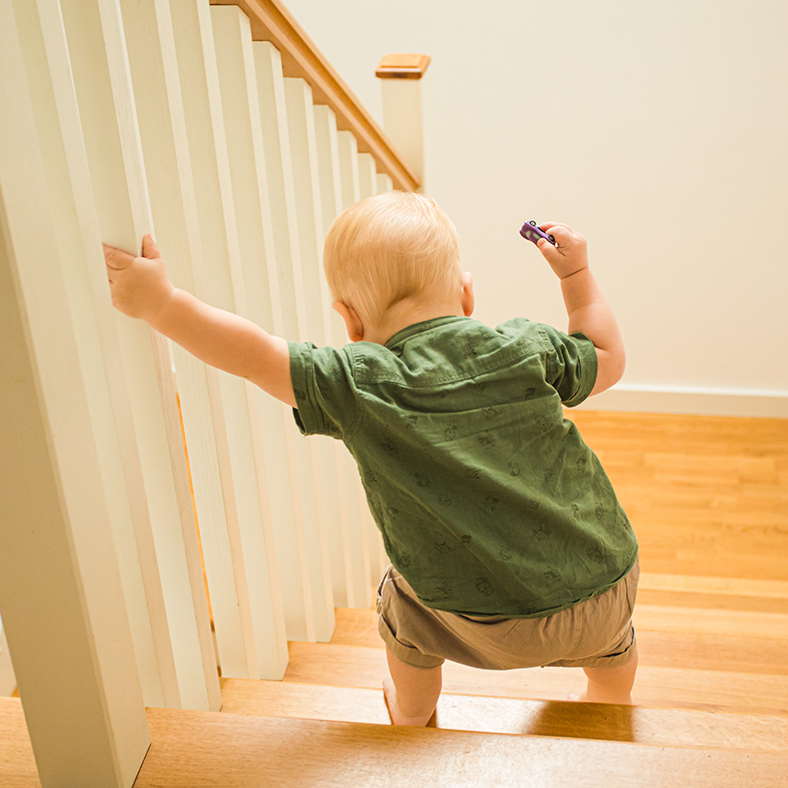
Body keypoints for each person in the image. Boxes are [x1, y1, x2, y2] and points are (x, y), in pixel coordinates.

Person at [104, 192, 639, 726]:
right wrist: (576, 277)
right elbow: (608, 359)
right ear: (466, 294)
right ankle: (611, 701)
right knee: (614, 649)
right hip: (604, 592)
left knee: (400, 601)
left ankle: (412, 711)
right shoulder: (526, 347)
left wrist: (161, 304)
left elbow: (252, 354)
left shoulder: (357, 381)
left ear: (350, 320)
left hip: (471, 621)